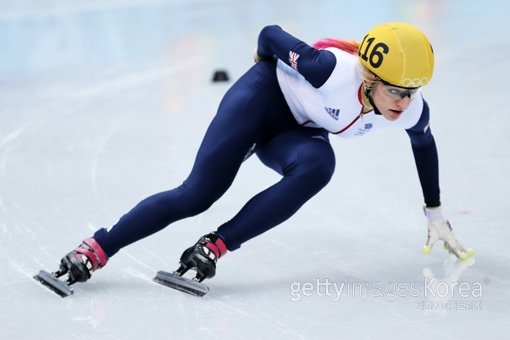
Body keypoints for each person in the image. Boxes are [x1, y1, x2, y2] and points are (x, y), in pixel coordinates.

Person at [57, 22, 473, 286]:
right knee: (198, 194)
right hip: (258, 101)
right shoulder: (327, 69)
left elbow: (424, 145)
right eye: (395, 90)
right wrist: (261, 66)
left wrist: (435, 213)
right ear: (369, 77)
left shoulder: (411, 109)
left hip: (294, 132)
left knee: (319, 165)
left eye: (411, 91)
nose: (403, 102)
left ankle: (214, 246)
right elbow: (270, 34)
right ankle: (95, 249)